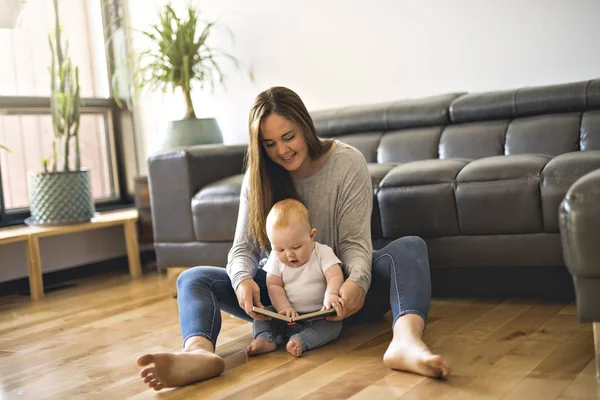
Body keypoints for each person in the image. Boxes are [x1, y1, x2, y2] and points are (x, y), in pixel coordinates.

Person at [136, 86, 451, 391]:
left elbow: (356, 244)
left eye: (288, 137)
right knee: (192, 279)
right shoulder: (258, 176)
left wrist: (356, 282)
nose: (282, 151)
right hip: (279, 304)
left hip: (341, 299)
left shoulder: (347, 162)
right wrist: (243, 280)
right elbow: (242, 249)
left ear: (305, 127)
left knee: (409, 248)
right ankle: (198, 354)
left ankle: (406, 342)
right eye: (270, 144)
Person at [246, 198, 344, 358]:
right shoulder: (276, 259)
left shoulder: (322, 252)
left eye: (296, 247)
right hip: (287, 315)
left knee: (334, 326)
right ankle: (265, 338)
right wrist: (283, 308)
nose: (289, 254)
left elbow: (334, 275)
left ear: (311, 235)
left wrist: (331, 295)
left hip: (318, 315)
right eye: (279, 249)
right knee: (265, 314)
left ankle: (301, 341)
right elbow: (273, 285)